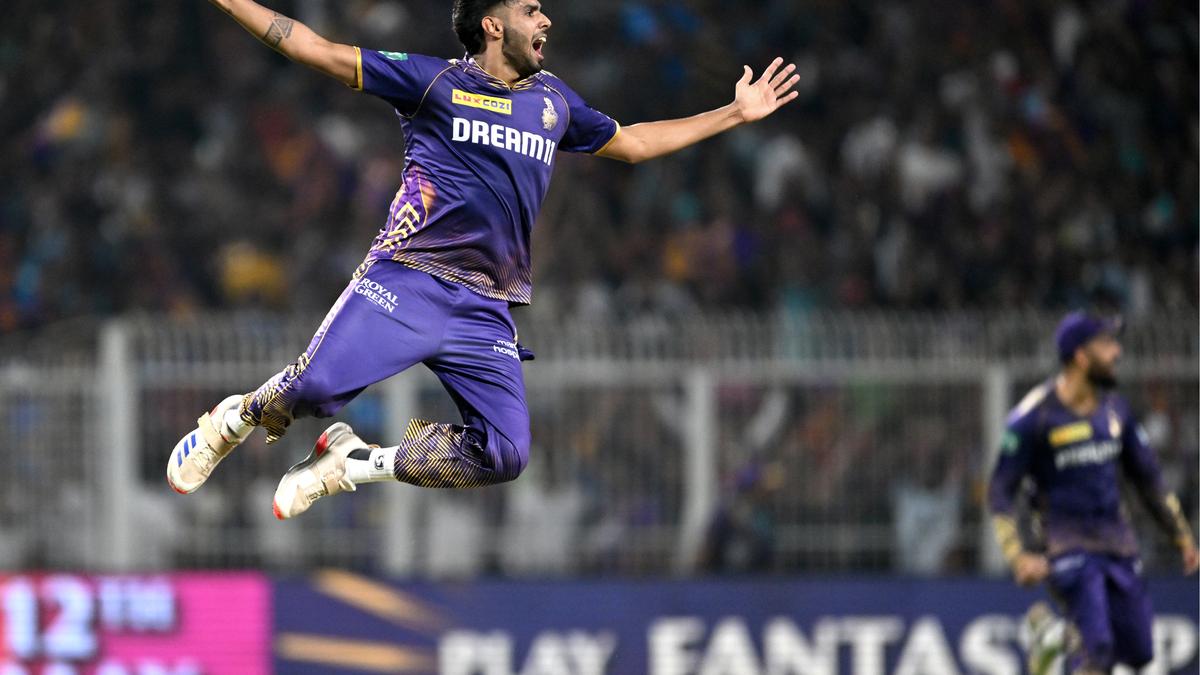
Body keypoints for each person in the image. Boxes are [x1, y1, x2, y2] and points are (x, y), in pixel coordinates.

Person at [167, 0, 800, 519]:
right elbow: (313, 47)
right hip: (410, 278)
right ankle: (233, 421)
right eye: (531, 9)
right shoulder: (433, 83)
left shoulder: (554, 102)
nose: (546, 19)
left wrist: (734, 113)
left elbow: (632, 143)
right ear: (493, 25)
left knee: (504, 455)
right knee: (313, 389)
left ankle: (353, 463)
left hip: (484, 309)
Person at [987, 311, 1199, 674]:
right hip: (1063, 544)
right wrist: (1018, 555)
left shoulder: (1117, 410)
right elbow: (1000, 491)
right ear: (1081, 356)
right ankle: (1069, 640)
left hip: (1117, 543)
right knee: (1098, 648)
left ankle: (1054, 637)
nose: (1117, 352)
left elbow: (1148, 479)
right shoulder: (1034, 418)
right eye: (1107, 344)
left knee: (1139, 651)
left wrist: (1181, 536)